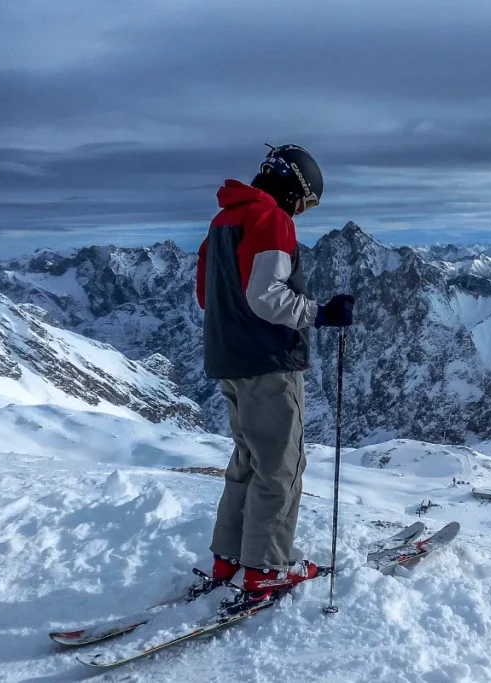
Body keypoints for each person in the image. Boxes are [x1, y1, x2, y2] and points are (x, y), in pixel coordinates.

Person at [192, 144, 354, 612]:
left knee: (246, 460)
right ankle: (265, 569)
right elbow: (265, 296)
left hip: (227, 359)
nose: (301, 212)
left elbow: (208, 296)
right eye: (306, 202)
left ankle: (228, 560)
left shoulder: (222, 223)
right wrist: (320, 314)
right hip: (266, 361)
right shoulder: (270, 219)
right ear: (293, 188)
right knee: (281, 466)